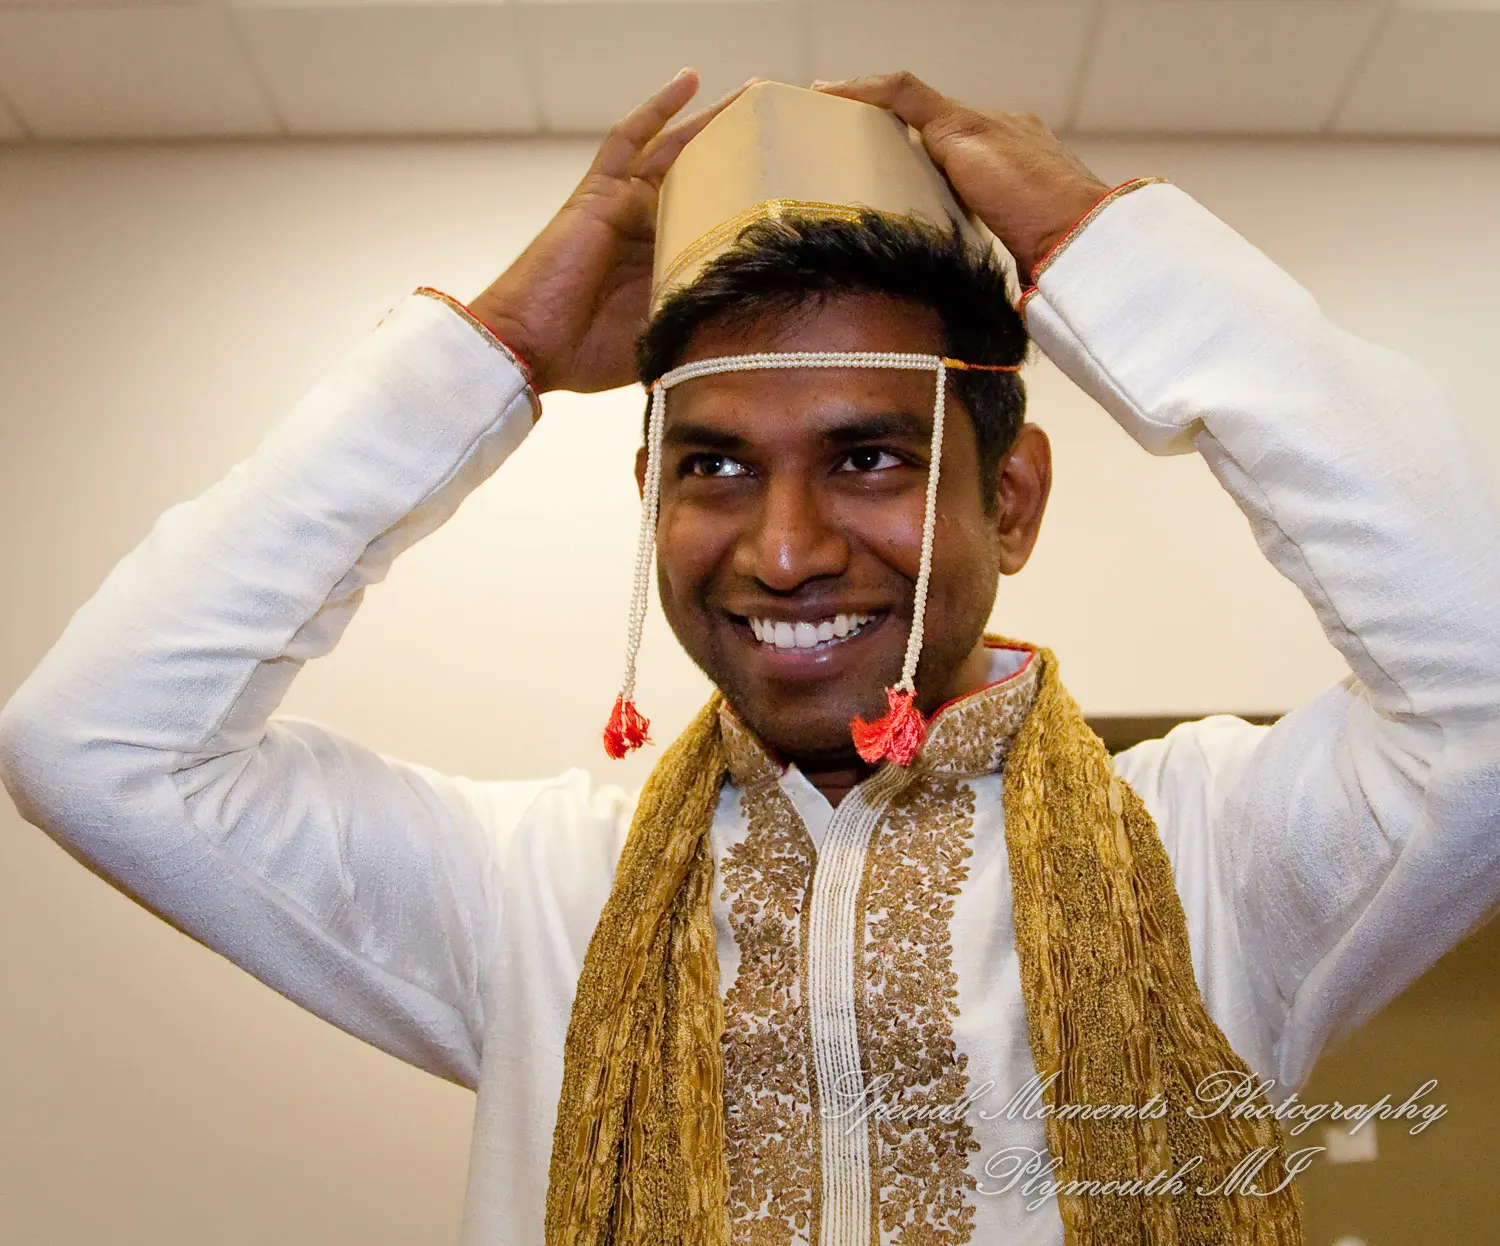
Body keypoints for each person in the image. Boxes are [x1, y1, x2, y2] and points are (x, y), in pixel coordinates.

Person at [2, 66, 1498, 1246]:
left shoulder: (1218, 856)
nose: (781, 548)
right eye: (712, 468)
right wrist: (493, 353)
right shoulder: (535, 893)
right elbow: (98, 739)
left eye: (866, 457)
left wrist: (1109, 255)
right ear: (648, 496)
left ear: (1014, 497)